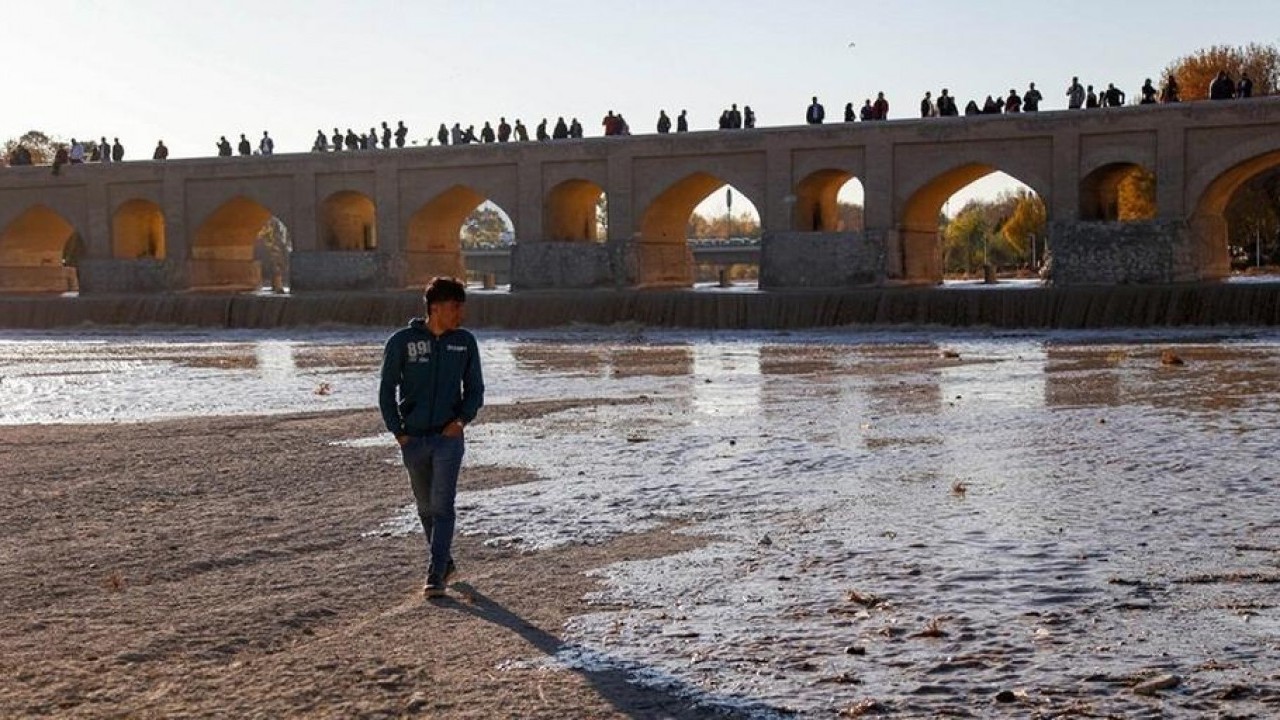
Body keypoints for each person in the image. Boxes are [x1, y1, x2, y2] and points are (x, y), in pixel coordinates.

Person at [379, 276, 485, 598]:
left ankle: (435, 574)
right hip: (413, 440)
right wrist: (398, 432)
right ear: (435, 308)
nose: (460, 315)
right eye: (455, 308)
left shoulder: (464, 342)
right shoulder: (401, 342)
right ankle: (446, 562)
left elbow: (475, 389)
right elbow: (386, 390)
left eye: (461, 308)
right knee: (425, 508)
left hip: (448, 439)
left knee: (442, 505)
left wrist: (461, 421)